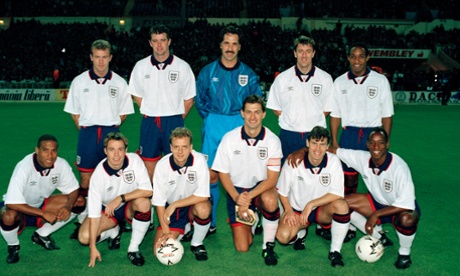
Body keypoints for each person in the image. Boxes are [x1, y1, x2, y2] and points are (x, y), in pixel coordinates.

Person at [195, 25, 263, 236]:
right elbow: (200, 101)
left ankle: (254, 216)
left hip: (239, 123)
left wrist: (241, 119)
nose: (230, 47)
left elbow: (257, 100)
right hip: (214, 123)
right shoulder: (207, 72)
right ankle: (211, 222)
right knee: (212, 175)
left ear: (239, 47)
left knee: (247, 174)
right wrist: (213, 118)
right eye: (227, 43)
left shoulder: (248, 74)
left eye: (234, 43)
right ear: (221, 45)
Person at [64, 39, 134, 237]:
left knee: (113, 177)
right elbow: (74, 113)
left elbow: (124, 113)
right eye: (97, 57)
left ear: (110, 57)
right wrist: (86, 130)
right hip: (87, 134)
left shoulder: (120, 83)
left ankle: (117, 217)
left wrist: (110, 129)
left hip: (110, 133)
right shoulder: (79, 81)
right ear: (91, 57)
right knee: (86, 181)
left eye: (105, 57)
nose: (101, 62)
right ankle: (85, 217)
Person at [328, 42, 394, 242]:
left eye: (360, 56)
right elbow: (335, 115)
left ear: (367, 58)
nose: (357, 60)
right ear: (348, 58)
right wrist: (335, 142)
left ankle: (380, 222)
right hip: (348, 136)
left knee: (376, 181)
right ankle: (348, 222)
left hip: (372, 136)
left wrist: (385, 141)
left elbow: (387, 114)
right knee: (348, 181)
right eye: (353, 56)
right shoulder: (339, 82)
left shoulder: (380, 81)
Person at [330, 128, 420, 269]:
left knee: (407, 219)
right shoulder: (362, 158)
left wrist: (375, 215)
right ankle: (379, 237)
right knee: (341, 204)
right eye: (372, 143)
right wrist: (304, 151)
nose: (376, 147)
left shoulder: (399, 167)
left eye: (380, 143)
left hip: (399, 208)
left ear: (387, 144)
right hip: (376, 202)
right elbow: (334, 151)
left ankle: (404, 253)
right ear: (367, 145)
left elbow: (407, 204)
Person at [212, 95, 282, 266]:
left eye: (257, 112)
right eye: (249, 112)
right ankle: (255, 218)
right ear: (242, 113)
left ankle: (268, 245)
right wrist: (237, 197)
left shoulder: (272, 141)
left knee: (271, 199)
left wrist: (248, 197)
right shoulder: (229, 139)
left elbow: (272, 179)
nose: (253, 117)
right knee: (243, 247)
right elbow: (223, 173)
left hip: (260, 189)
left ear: (264, 114)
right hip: (236, 191)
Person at [0, 134, 85, 264]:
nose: (50, 156)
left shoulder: (60, 164)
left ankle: (41, 235)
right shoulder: (23, 167)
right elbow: (12, 203)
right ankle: (13, 246)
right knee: (8, 216)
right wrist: (43, 213)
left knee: (79, 201)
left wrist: (68, 206)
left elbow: (74, 189)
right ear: (37, 150)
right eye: (45, 150)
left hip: (40, 204)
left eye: (54, 151)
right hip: (19, 208)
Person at [128, 24, 196, 181]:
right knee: (149, 167)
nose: (159, 44)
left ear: (169, 41)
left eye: (163, 40)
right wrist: (149, 109)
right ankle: (151, 204)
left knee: (178, 166)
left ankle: (175, 204)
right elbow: (136, 94)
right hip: (150, 121)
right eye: (155, 40)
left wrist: (177, 119)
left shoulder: (182, 67)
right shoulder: (141, 66)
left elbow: (189, 99)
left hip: (174, 121)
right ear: (150, 43)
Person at [275, 126, 350, 268]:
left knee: (341, 205)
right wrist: (289, 210)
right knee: (282, 237)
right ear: (307, 143)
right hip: (298, 211)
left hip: (321, 210)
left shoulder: (333, 161)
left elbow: (337, 193)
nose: (318, 148)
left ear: (327, 146)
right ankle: (301, 232)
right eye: (314, 143)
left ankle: (335, 251)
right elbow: (282, 192)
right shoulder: (293, 161)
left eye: (322, 144)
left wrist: (311, 204)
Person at [78, 132, 153, 267]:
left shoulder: (135, 160)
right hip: (107, 209)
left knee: (144, 203)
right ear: (105, 151)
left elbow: (148, 190)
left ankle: (133, 248)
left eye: (120, 149)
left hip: (129, 204)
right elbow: (94, 215)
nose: (116, 155)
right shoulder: (98, 176)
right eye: (112, 150)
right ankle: (114, 230)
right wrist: (93, 247)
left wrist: (121, 198)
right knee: (84, 238)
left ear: (126, 150)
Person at [266, 35, 334, 166]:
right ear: (294, 53)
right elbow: (276, 107)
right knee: (288, 173)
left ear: (313, 53)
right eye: (300, 51)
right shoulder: (283, 78)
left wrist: (310, 121)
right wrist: (293, 119)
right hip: (289, 135)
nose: (304, 55)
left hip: (315, 135)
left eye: (308, 51)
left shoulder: (325, 78)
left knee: (314, 175)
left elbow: (328, 108)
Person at [152, 127, 211, 261]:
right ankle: (186, 227)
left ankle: (197, 243)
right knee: (159, 251)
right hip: (171, 211)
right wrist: (166, 232)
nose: (180, 151)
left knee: (204, 208)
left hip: (193, 204)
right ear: (171, 148)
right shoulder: (162, 166)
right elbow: (159, 203)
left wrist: (174, 205)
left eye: (184, 147)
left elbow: (203, 195)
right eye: (176, 147)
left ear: (191, 147)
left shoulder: (199, 161)